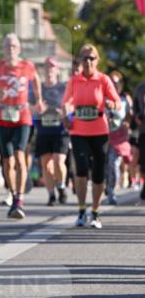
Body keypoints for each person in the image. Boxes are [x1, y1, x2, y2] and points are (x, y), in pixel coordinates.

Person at [0, 33, 43, 219]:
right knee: (7, 160)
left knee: (19, 155)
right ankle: (12, 192)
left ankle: (19, 199)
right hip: (3, 116)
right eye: (7, 46)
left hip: (22, 116)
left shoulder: (27, 66)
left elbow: (36, 80)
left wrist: (39, 99)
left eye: (14, 46)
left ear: (19, 49)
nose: (11, 49)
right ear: (3, 49)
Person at [63, 44, 119, 228]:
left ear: (97, 60)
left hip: (100, 132)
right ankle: (81, 210)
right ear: (80, 60)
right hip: (78, 131)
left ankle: (95, 212)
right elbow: (67, 102)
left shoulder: (103, 80)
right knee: (80, 167)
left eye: (91, 58)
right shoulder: (74, 81)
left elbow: (117, 102)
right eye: (85, 58)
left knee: (98, 173)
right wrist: (66, 114)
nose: (88, 61)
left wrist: (112, 104)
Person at [35, 57, 69, 206]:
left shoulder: (64, 87)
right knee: (46, 165)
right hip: (43, 131)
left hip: (60, 130)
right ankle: (51, 195)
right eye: (47, 67)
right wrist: (37, 109)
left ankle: (61, 186)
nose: (49, 70)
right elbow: (29, 106)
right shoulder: (39, 88)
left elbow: (71, 105)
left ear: (57, 70)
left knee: (58, 161)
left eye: (52, 67)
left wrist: (64, 112)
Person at [105, 71, 131, 205]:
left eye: (116, 83)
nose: (114, 85)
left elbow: (130, 114)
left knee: (113, 164)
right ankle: (106, 185)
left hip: (118, 137)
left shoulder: (125, 98)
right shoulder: (102, 97)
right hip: (102, 136)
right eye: (112, 83)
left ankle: (111, 191)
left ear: (120, 84)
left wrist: (127, 122)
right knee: (104, 165)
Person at [132, 77, 145, 203]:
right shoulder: (140, 89)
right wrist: (137, 116)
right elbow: (135, 107)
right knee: (143, 162)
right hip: (143, 131)